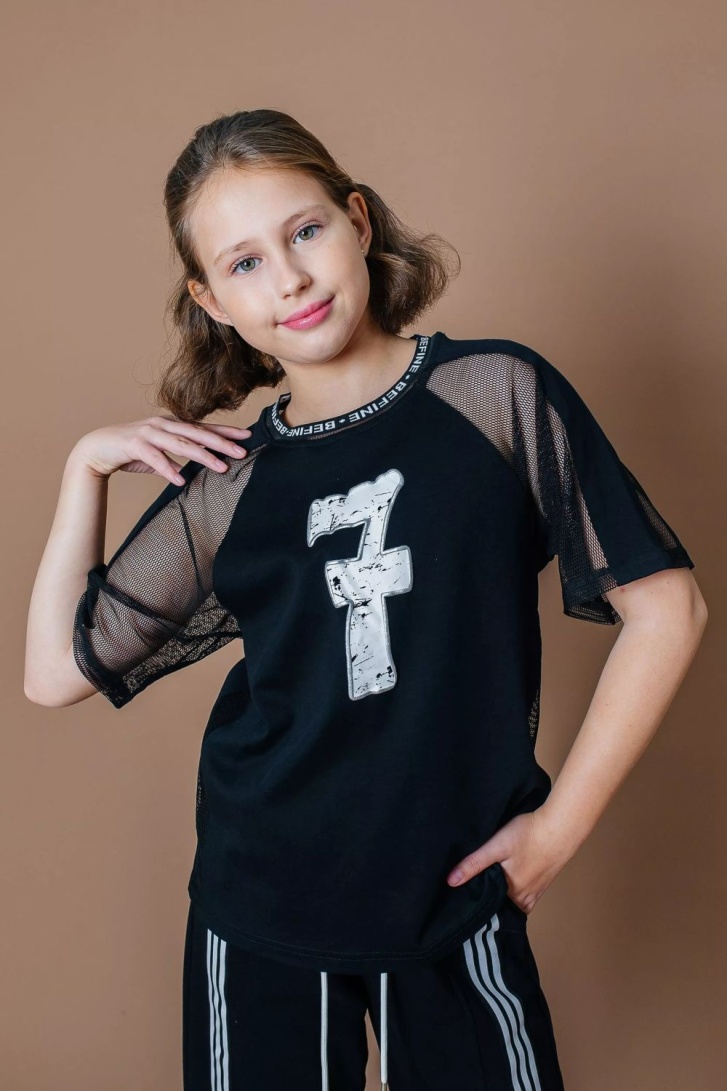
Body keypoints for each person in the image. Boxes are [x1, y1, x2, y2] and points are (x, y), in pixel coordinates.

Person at [24, 108, 707, 1091]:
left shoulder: (495, 395)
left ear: (356, 221)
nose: (290, 279)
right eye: (244, 262)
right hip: (259, 899)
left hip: (455, 890)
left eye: (304, 231)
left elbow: (668, 609)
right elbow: (54, 671)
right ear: (211, 299)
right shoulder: (232, 482)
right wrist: (82, 469)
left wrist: (557, 829)